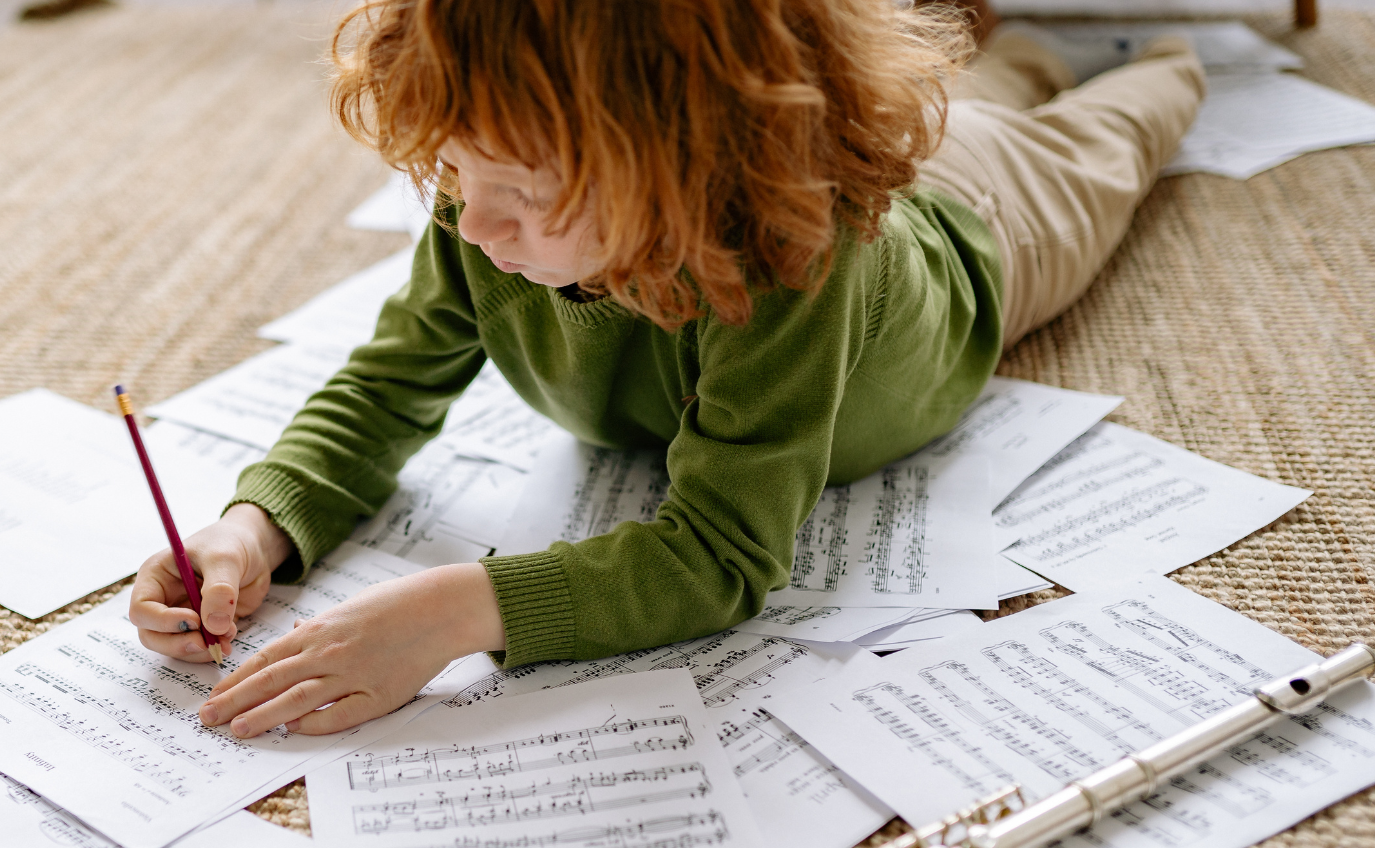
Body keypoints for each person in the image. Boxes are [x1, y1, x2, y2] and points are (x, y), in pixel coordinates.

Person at [127, 0, 1206, 739]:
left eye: (528, 192)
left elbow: (722, 554)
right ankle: (1015, 54)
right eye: (454, 170)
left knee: (1112, 131)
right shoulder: (481, 210)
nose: (473, 220)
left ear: (696, 170)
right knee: (991, 83)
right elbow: (383, 386)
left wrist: (459, 612)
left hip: (985, 238)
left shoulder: (791, 251)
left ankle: (1172, 60)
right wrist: (252, 525)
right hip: (901, 165)